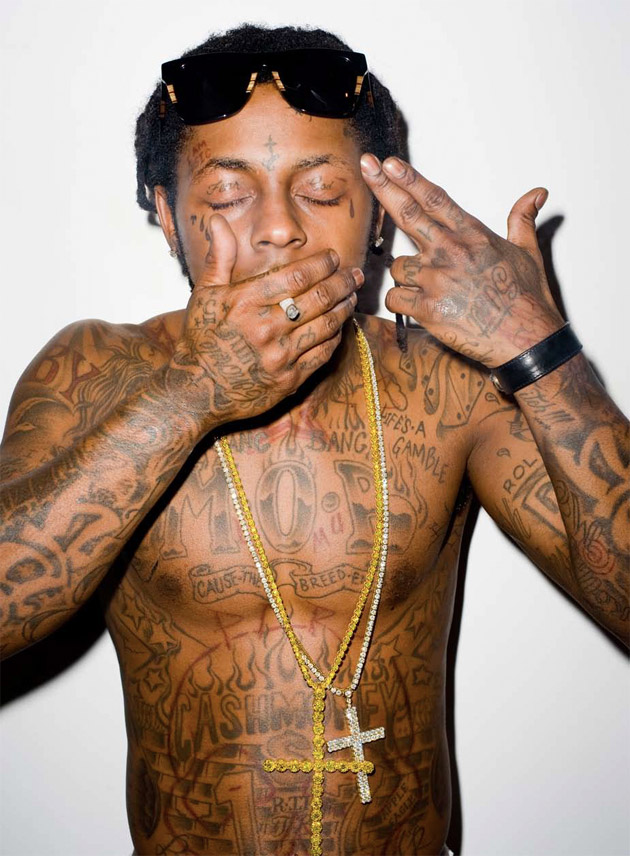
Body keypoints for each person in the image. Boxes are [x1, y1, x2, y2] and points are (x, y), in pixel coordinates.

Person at [0, 22, 627, 856]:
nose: (279, 228)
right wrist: (192, 395)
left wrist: (539, 350)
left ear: (379, 220)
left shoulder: (446, 382)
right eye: (230, 193)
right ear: (167, 217)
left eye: (323, 190)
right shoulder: (94, 370)